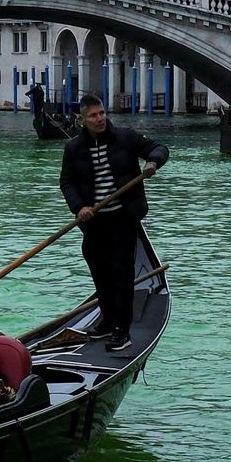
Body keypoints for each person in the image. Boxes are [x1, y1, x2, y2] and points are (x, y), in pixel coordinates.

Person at [58, 93, 166, 354]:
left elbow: (159, 148)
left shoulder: (126, 137)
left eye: (102, 113)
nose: (100, 118)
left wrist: (153, 161)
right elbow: (66, 182)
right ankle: (107, 319)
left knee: (121, 274)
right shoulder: (73, 148)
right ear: (82, 120)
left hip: (123, 218)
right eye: (93, 115)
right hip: (93, 222)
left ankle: (122, 330)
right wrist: (79, 207)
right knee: (100, 273)